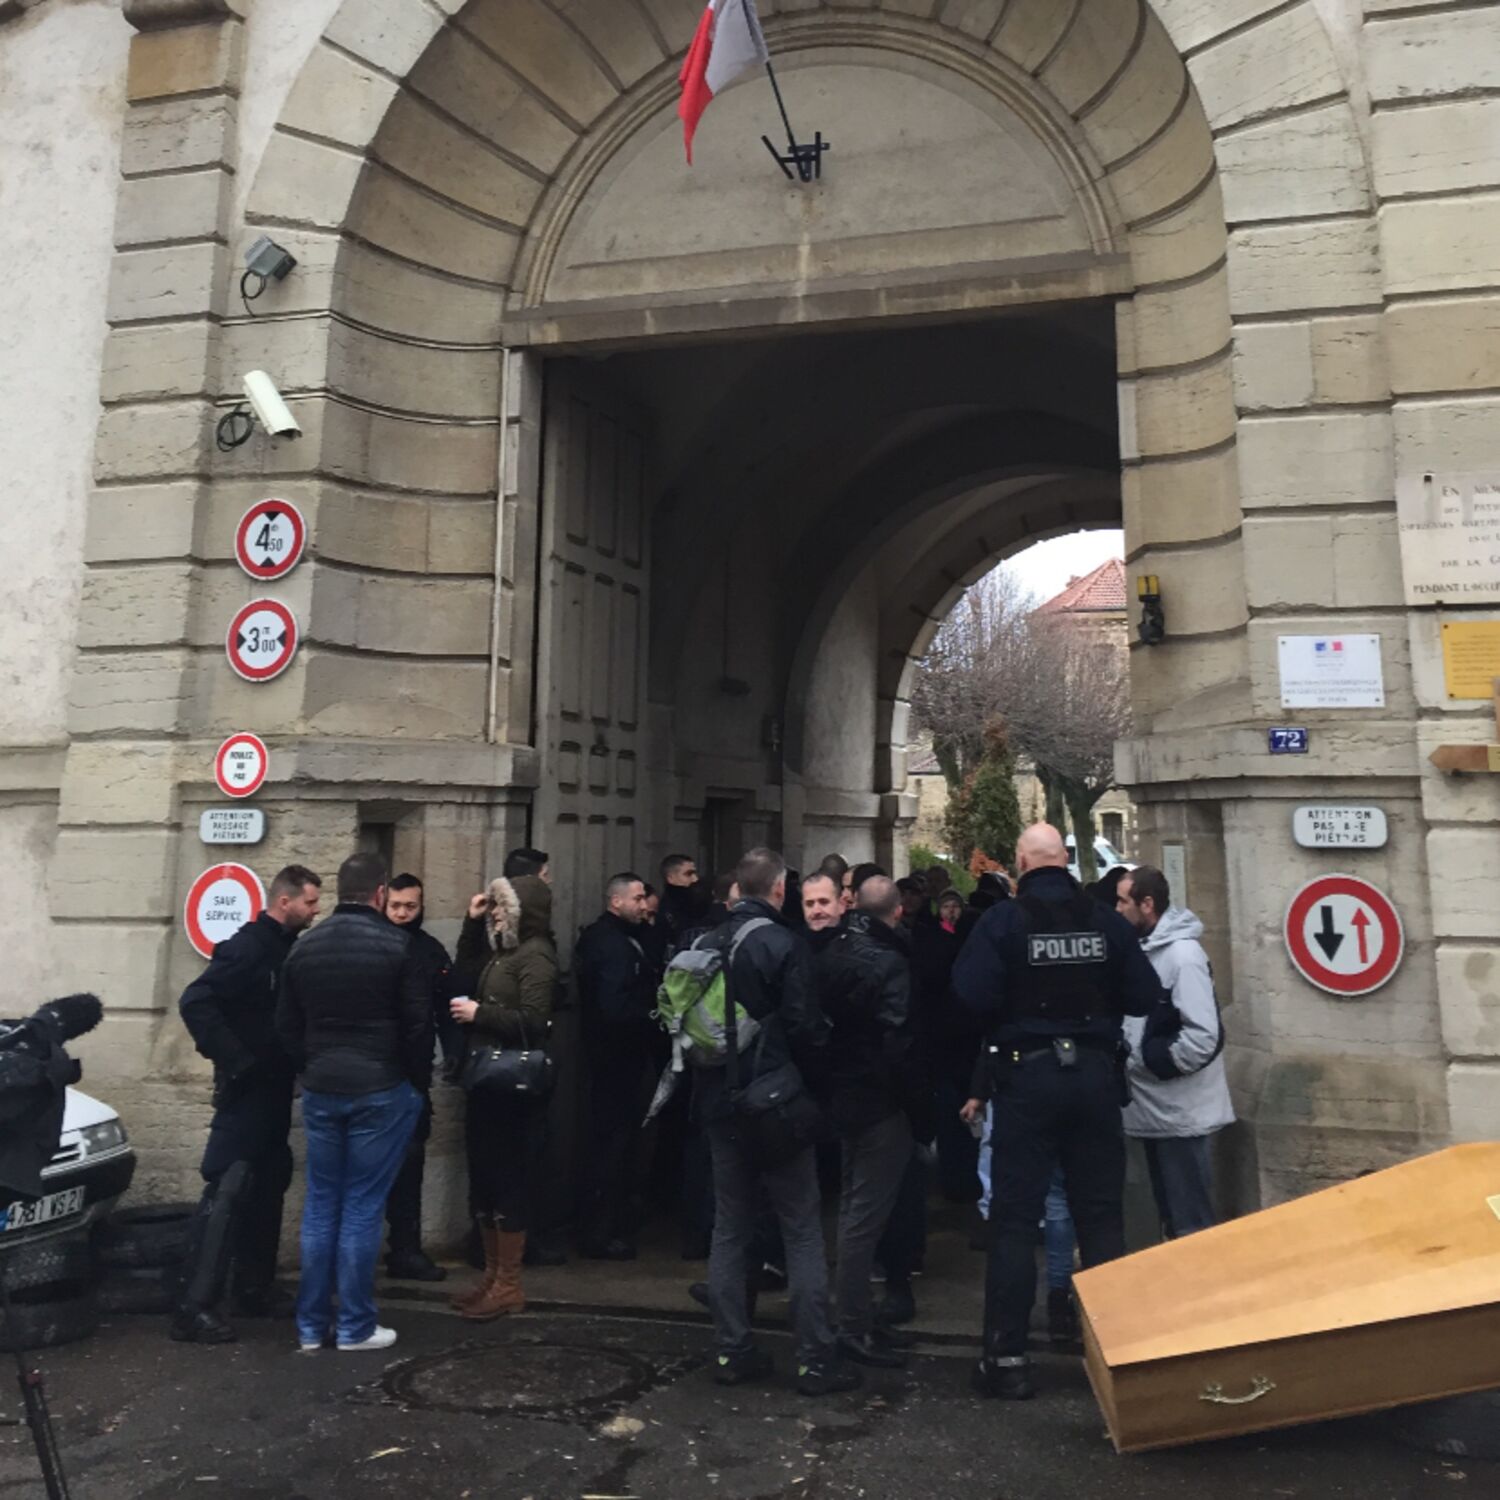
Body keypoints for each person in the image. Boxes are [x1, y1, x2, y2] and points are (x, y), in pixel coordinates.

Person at [953, 823, 1161, 1399]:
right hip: (1094, 1078)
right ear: (1065, 860)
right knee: (1100, 1217)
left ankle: (1008, 1359)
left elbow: (969, 995)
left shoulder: (1002, 922)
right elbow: (1144, 996)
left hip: (1026, 1077)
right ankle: (1112, 1360)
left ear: (1021, 863)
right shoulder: (1106, 923)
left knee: (1017, 1220)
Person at [699, 849, 857, 1396]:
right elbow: (806, 1029)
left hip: (719, 1104)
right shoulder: (782, 944)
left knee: (730, 1227)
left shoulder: (700, 944)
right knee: (802, 1230)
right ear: (779, 890)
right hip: (775, 1104)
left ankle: (731, 1350)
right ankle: (815, 1358)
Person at [277, 852, 430, 1353]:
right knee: (362, 1207)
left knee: (322, 1205)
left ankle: (309, 1326)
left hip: (323, 1086)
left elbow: (286, 1026)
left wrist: (310, 1066)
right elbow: (416, 1025)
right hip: (380, 1087)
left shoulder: (304, 947)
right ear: (380, 892)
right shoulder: (398, 945)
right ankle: (355, 1326)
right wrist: (414, 1083)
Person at [171, 865, 322, 1344]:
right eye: (310, 902)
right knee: (228, 1185)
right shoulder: (248, 947)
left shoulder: (283, 947)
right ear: (285, 902)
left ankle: (255, 1288)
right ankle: (193, 1308)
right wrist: (238, 1060)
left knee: (270, 1178)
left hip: (274, 1089)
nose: (316, 910)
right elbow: (197, 1001)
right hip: (248, 1090)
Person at [810, 874, 919, 1369]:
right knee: (863, 1218)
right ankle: (853, 1326)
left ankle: (854, 1316)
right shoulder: (891, 962)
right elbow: (897, 1042)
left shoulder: (832, 952)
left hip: (843, 1094)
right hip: (879, 1102)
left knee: (854, 1208)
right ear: (897, 912)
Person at [448, 874, 558, 1318]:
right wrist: (473, 924)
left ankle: (509, 1284)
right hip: (487, 1082)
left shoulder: (537, 956)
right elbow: (466, 971)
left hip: (514, 1085)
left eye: (500, 907)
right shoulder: (504, 951)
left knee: (509, 1180)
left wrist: (481, 1014)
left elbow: (536, 1020)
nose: (494, 912)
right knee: (487, 1180)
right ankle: (492, 1278)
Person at [1114, 866, 1234, 1239]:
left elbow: (1203, 1036)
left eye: (1122, 901)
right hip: (1152, 1109)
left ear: (1147, 904)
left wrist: (1149, 1061)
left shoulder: (1183, 957)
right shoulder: (1144, 949)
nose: (1116, 909)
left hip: (1179, 1114)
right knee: (1170, 1219)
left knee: (1190, 1223)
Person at [573, 871, 654, 1259]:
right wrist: (653, 1014)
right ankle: (600, 1230)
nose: (644, 904)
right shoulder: (612, 945)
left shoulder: (618, 939)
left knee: (616, 1144)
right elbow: (613, 1007)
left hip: (615, 1059)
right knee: (611, 1146)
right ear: (616, 901)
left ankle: (609, 1223)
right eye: (637, 898)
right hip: (615, 1059)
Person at [381, 872, 453, 1282]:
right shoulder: (377, 945)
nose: (404, 914)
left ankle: (405, 1249)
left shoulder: (429, 950)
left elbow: (448, 1004)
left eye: (411, 906)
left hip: (413, 1076)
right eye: (397, 906)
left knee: (410, 1165)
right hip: (380, 1071)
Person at [659, 853, 706, 948]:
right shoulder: (669, 910)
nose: (695, 879)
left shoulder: (698, 903)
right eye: (688, 874)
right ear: (671, 878)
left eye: (695, 873)